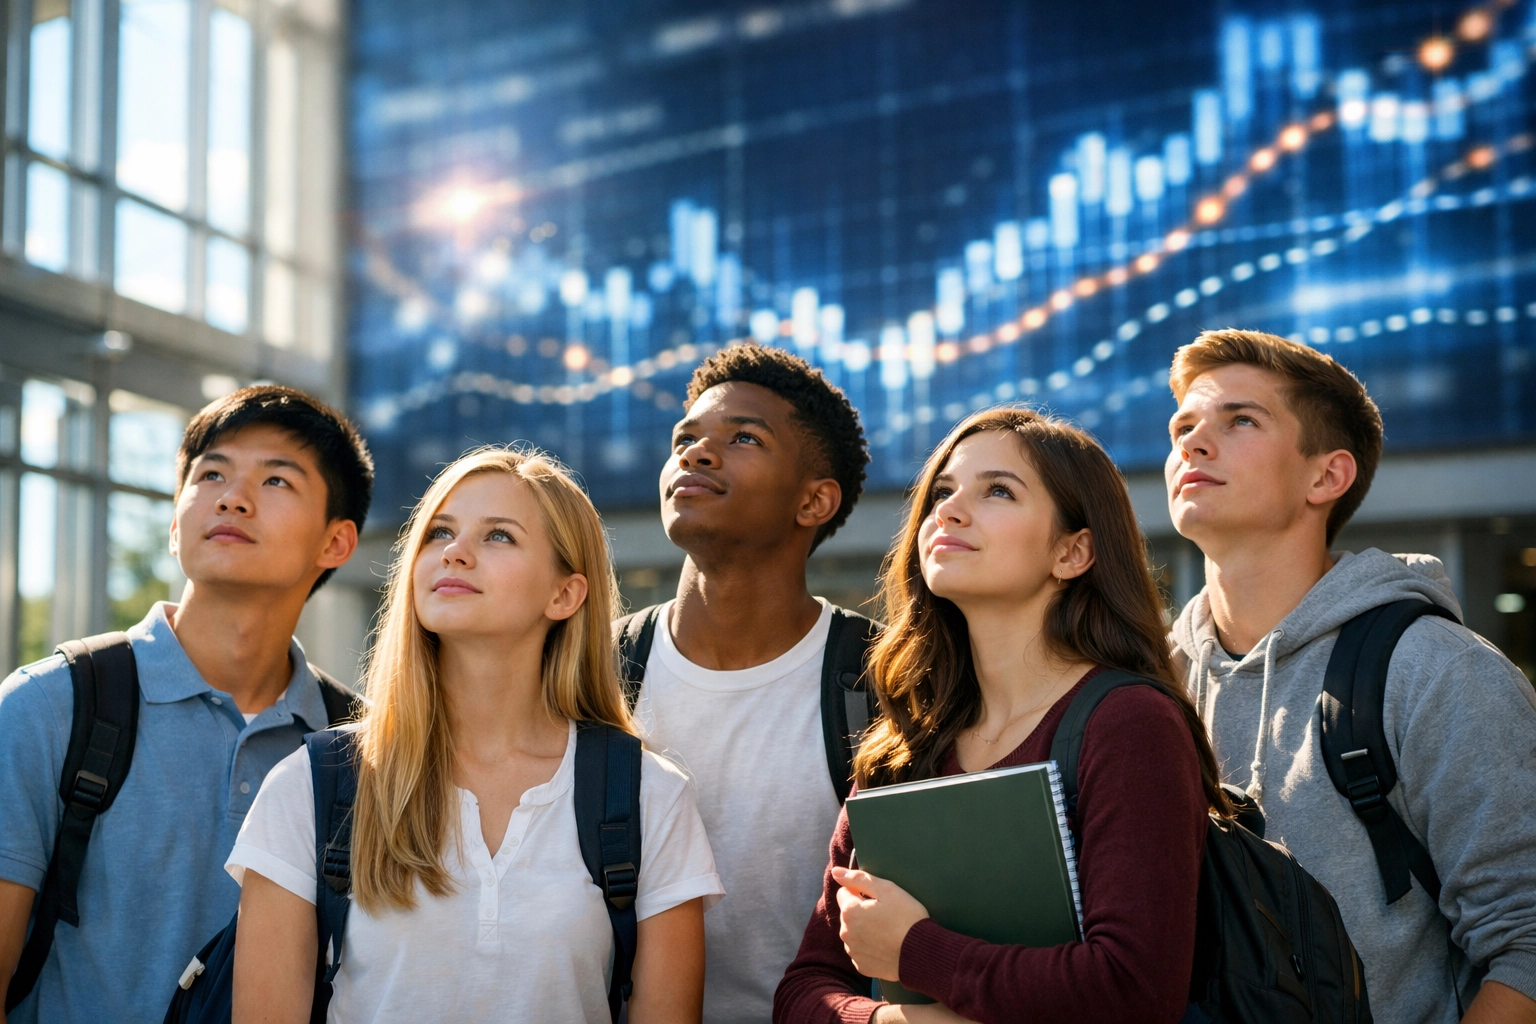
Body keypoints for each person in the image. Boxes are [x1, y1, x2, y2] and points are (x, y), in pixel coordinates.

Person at [227, 446, 722, 1023]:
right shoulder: (311, 786)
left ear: (564, 594)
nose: (455, 554)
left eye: (499, 536)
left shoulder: (648, 794)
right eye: (439, 532)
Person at [776, 407, 1225, 1024]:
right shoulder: (905, 743)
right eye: (943, 491)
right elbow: (805, 989)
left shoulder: (1130, 723)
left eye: (997, 491)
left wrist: (914, 950)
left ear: (1072, 552)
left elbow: (1134, 990)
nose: (950, 511)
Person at [1164, 328, 1536, 1024]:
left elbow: (1528, 944)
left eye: (1240, 420)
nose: (1194, 442)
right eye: (1184, 425)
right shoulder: (1154, 682)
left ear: (1326, 476)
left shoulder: (1437, 673)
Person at [0, 386, 372, 1024]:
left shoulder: (359, 747)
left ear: (336, 543)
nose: (232, 496)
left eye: (277, 480)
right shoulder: (50, 706)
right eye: (211, 474)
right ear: (175, 526)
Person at [617, 343, 874, 1024]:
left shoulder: (875, 678)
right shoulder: (599, 668)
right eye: (686, 439)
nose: (696, 456)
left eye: (743, 439)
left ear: (814, 500)